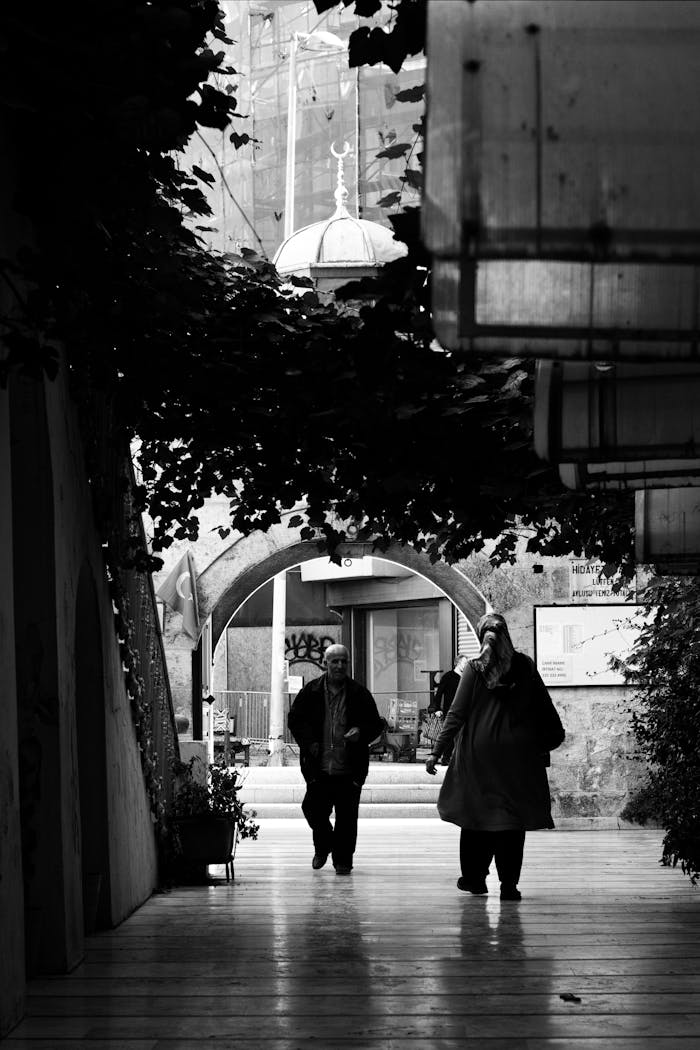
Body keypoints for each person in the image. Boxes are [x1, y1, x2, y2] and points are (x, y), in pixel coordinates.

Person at [426, 613, 565, 901]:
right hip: (518, 755)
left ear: (481, 637)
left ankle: (475, 879)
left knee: (475, 817)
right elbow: (545, 709)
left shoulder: (474, 669)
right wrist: (549, 741)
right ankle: (509, 885)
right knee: (511, 822)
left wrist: (437, 750)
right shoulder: (525, 666)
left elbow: (456, 713)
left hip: (479, 755)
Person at [288, 643, 384, 875]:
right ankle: (324, 847)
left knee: (347, 817)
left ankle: (343, 860)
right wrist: (310, 742)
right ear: (326, 663)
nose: (340, 665)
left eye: (344, 661)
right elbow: (295, 720)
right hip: (318, 766)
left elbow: (375, 724)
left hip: (349, 768)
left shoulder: (359, 694)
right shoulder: (311, 692)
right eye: (335, 661)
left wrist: (361, 732)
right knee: (312, 809)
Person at [427, 654, 468, 763]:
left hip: (463, 711)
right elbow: (439, 693)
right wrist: (437, 709)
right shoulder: (448, 677)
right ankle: (445, 758)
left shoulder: (465, 677)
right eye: (464, 663)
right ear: (458, 663)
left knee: (462, 735)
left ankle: (459, 758)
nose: (466, 665)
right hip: (450, 711)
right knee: (449, 735)